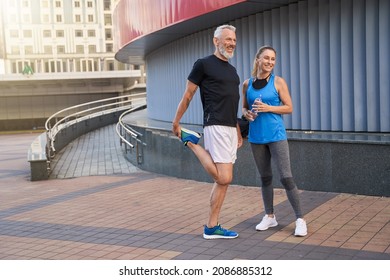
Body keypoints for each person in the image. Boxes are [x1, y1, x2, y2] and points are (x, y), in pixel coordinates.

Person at [172, 24, 243, 240]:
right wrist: (177, 122)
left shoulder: (232, 70)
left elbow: (233, 102)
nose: (231, 43)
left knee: (222, 182)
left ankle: (212, 227)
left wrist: (238, 130)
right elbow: (188, 94)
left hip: (230, 127)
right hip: (215, 124)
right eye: (227, 39)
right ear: (216, 41)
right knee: (224, 177)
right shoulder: (203, 64)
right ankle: (191, 141)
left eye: (234, 40)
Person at [242, 46, 307, 237]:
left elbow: (289, 108)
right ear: (257, 60)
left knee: (286, 177)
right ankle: (270, 216)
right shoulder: (247, 84)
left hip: (276, 135)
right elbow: (244, 109)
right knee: (265, 178)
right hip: (256, 137)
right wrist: (247, 115)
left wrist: (268, 108)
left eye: (273, 59)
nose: (270, 62)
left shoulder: (278, 82)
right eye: (266, 58)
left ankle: (300, 219)